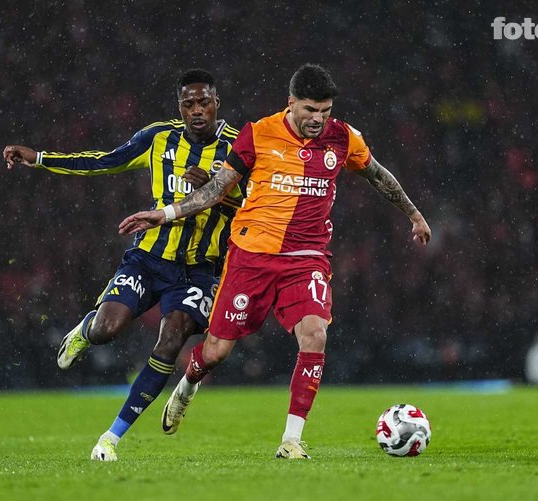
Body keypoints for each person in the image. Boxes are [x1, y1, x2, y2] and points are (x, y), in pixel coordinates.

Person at [119, 63, 432, 459]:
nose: (318, 119)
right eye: (310, 110)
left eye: (325, 111)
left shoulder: (343, 137)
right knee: (215, 352)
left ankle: (291, 439)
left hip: (306, 259)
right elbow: (216, 190)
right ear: (291, 103)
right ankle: (189, 383)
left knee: (315, 334)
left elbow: (377, 174)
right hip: (251, 257)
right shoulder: (258, 133)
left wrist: (414, 214)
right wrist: (163, 214)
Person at [2, 69, 242, 461]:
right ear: (179, 107)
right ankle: (86, 329)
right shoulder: (158, 138)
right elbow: (104, 161)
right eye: (188, 104)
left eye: (204, 102)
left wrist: (217, 191)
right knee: (106, 330)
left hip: (199, 269)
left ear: (217, 103)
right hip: (148, 259)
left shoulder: (239, 146)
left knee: (172, 340)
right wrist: (40, 158)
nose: (196, 110)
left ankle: (110, 438)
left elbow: (257, 205)